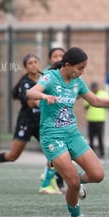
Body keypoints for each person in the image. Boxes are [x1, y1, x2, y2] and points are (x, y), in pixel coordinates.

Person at [26, 47, 109, 217]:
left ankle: (75, 181)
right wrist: (44, 95)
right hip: (52, 136)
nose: (82, 72)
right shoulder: (50, 77)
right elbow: (30, 93)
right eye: (80, 68)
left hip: (72, 134)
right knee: (71, 181)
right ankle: (75, 215)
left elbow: (94, 101)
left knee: (97, 174)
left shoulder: (77, 81)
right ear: (67, 65)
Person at [0, 54, 63, 193]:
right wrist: (52, 102)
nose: (33, 65)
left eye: (35, 62)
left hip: (42, 123)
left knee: (55, 153)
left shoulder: (45, 78)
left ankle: (52, 183)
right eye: (30, 63)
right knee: (13, 156)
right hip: (26, 122)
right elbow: (33, 102)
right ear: (26, 67)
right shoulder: (25, 84)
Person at [40, 47, 67, 193]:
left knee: (59, 155)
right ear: (50, 59)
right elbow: (35, 93)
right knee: (58, 154)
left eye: (61, 56)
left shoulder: (70, 76)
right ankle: (47, 182)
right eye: (55, 56)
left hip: (65, 121)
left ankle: (50, 179)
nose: (58, 58)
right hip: (51, 122)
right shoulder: (47, 75)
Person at [84, 82, 109, 158]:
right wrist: (92, 101)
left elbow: (108, 104)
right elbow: (86, 107)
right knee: (91, 137)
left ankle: (101, 152)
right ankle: (91, 153)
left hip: (100, 119)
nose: (94, 89)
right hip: (91, 119)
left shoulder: (104, 94)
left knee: (100, 137)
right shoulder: (88, 94)